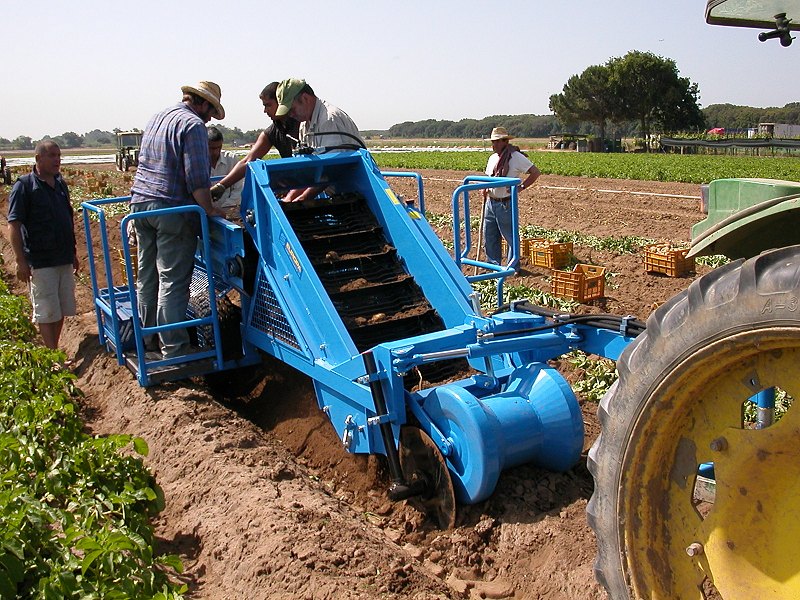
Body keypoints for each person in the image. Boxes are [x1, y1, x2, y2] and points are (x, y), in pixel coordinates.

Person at [130, 81, 226, 359]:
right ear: (203, 103)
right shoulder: (193, 125)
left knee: (147, 277)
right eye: (211, 110)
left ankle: (148, 340)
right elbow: (196, 178)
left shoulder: (158, 117)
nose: (209, 117)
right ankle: (174, 349)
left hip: (141, 206)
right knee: (172, 280)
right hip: (170, 210)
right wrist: (209, 209)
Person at [7, 140, 79, 355]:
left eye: (59, 155)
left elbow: (68, 217)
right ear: (38, 158)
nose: (57, 159)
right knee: (47, 311)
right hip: (40, 261)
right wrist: (21, 261)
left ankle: (54, 351)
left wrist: (73, 253)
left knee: (62, 308)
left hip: (63, 257)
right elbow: (14, 225)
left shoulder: (60, 184)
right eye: (52, 156)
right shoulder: (24, 186)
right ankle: (52, 355)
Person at [274, 78, 364, 202]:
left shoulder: (329, 119)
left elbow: (331, 171)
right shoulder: (304, 126)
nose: (291, 115)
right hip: (335, 193)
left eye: (292, 109)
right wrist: (289, 199)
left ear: (305, 98)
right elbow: (309, 173)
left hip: (357, 191)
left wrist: (302, 199)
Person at [210, 82, 300, 202]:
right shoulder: (273, 131)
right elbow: (248, 160)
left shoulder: (301, 125)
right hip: (294, 189)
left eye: (268, 105)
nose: (264, 110)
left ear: (281, 102)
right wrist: (221, 186)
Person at [482, 127, 541, 272]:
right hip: (491, 202)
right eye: (492, 142)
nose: (493, 145)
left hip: (506, 203)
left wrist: (520, 187)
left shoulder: (515, 157)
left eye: (496, 142)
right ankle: (493, 265)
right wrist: (484, 188)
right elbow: (489, 177)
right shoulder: (492, 158)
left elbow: (535, 172)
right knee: (489, 235)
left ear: (504, 141)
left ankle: (513, 267)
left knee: (510, 237)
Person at [207, 126, 242, 210]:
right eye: (211, 148)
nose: (215, 152)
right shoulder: (197, 162)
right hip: (205, 211)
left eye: (218, 147)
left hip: (229, 209)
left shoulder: (231, 159)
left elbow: (238, 189)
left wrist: (224, 208)